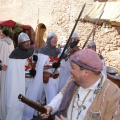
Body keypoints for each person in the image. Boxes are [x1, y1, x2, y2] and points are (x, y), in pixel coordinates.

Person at [39, 49, 120, 120]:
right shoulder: (73, 81)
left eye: (73, 67)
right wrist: (50, 107)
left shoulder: (113, 94)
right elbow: (62, 95)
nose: (70, 70)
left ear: (86, 72)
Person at [22, 32, 61, 120]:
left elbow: (65, 57)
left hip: (55, 79)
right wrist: (52, 65)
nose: (55, 39)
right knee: (49, 98)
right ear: (48, 40)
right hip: (47, 78)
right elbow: (40, 65)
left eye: (56, 38)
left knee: (49, 98)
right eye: (53, 38)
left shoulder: (58, 51)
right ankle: (48, 115)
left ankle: (46, 113)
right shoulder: (43, 50)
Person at [3, 32, 34, 120]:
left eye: (28, 41)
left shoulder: (30, 51)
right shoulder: (15, 55)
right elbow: (14, 75)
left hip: (29, 82)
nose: (28, 43)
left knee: (28, 104)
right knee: (16, 104)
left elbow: (30, 64)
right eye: (25, 42)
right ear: (21, 44)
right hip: (18, 84)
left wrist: (33, 71)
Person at [0, 29, 14, 120]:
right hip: (9, 66)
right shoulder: (11, 42)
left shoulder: (1, 42)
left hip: (2, 67)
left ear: (3, 34)